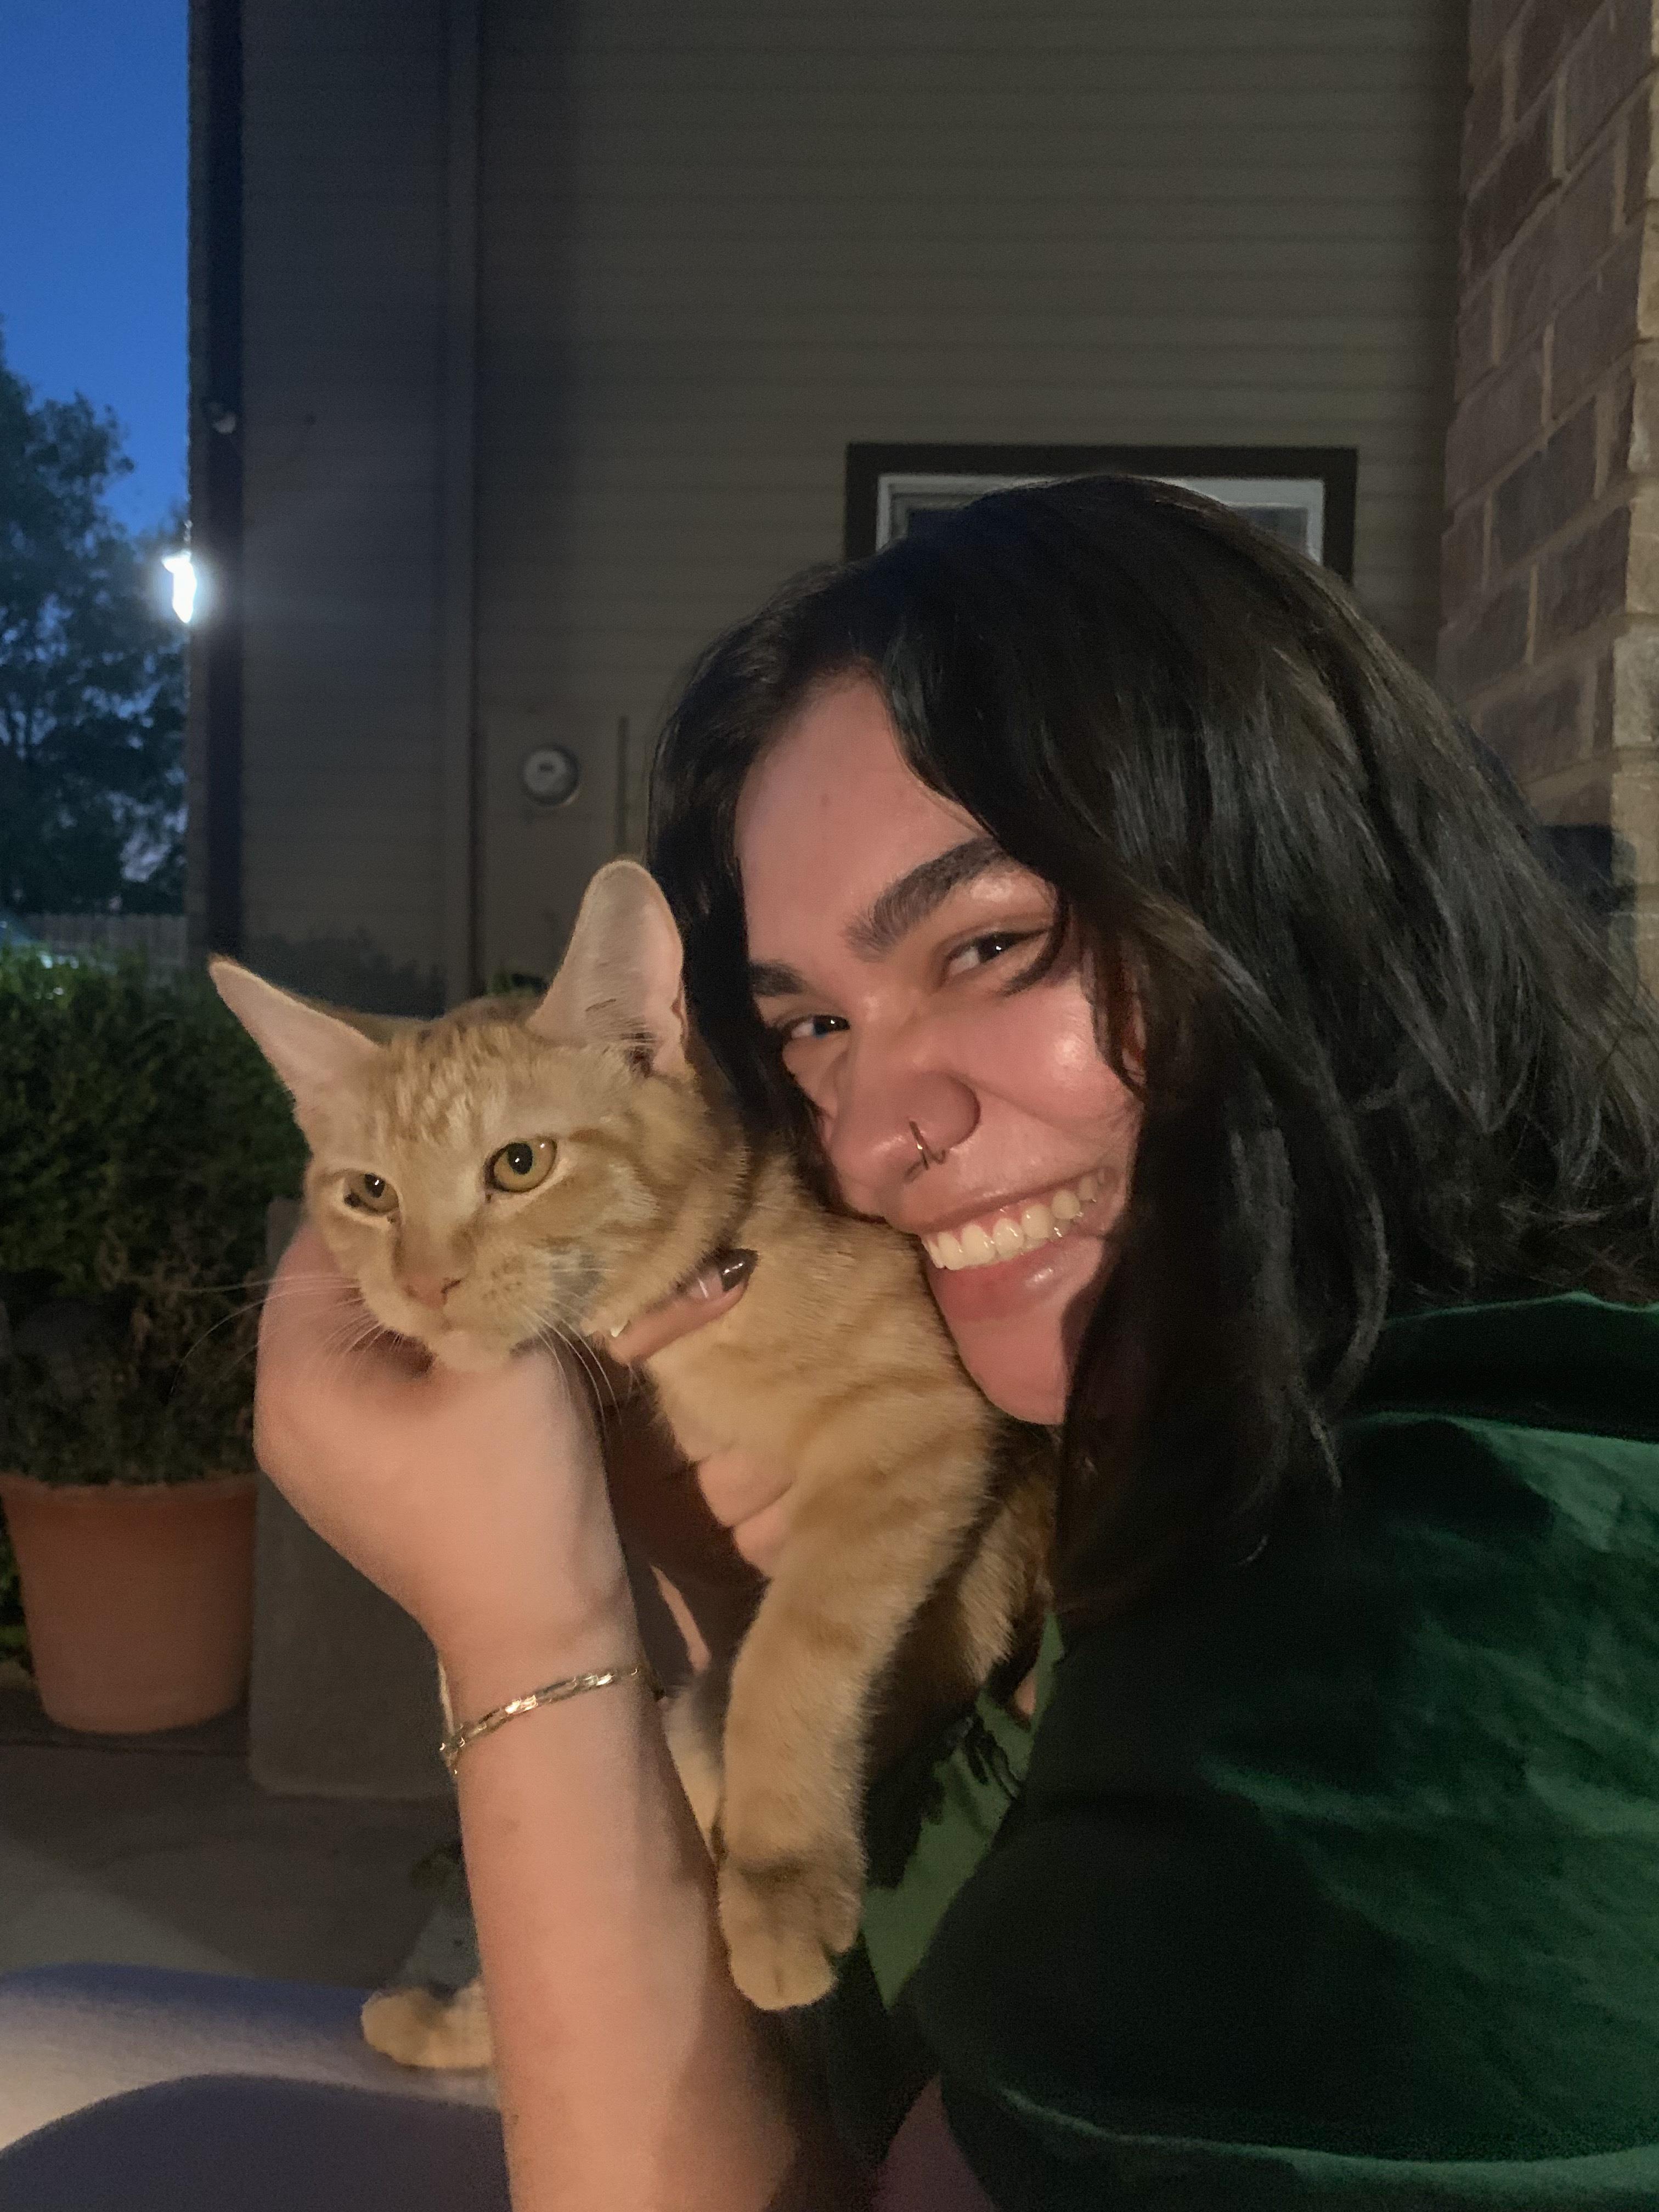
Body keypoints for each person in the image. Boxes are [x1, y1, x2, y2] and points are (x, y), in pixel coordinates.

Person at [253, 475, 1659, 2210]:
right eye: (818, 1027)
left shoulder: (1456, 1636)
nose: (865, 1139)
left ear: (1313, 886)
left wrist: (534, 1634)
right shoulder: (1172, 1430)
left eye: (993, 944)